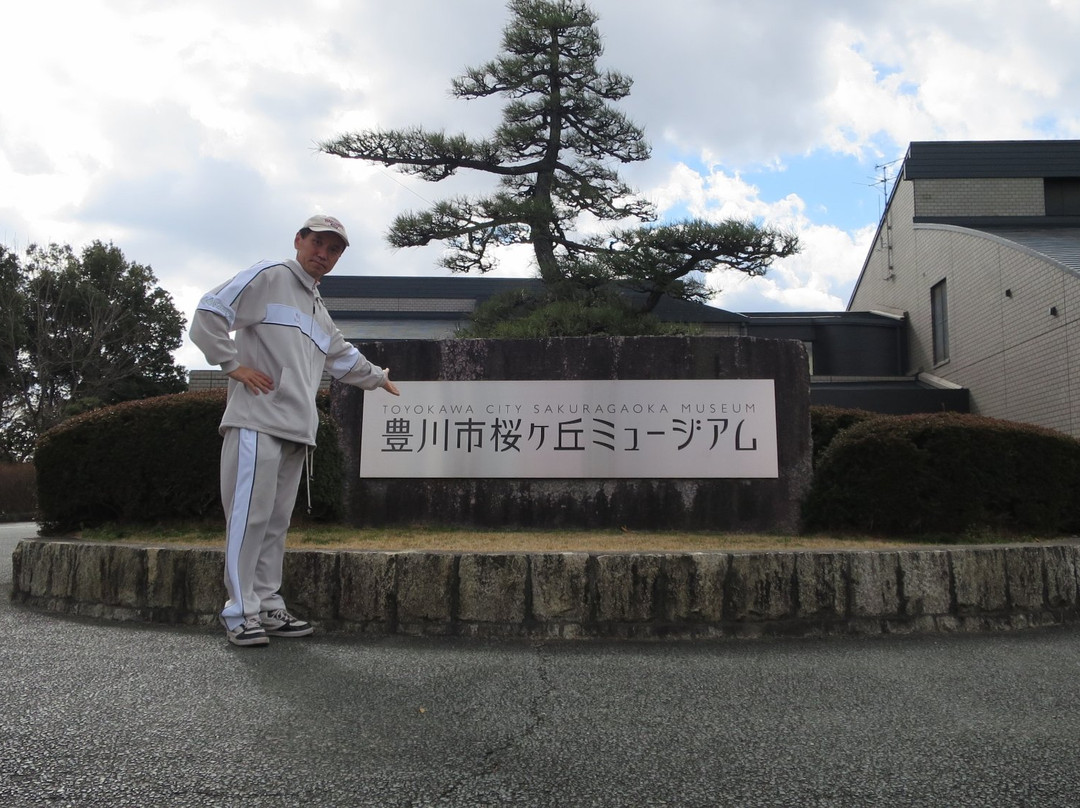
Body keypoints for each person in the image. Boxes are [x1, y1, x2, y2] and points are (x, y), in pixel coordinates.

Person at [190, 214, 400, 647]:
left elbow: (342, 358)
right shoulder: (271, 275)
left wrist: (378, 377)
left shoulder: (317, 307)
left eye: (334, 249)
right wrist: (232, 365)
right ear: (299, 240)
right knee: (248, 519)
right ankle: (239, 611)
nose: (323, 254)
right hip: (256, 421)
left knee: (273, 523)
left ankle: (267, 604)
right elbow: (209, 312)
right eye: (317, 243)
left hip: (295, 429)